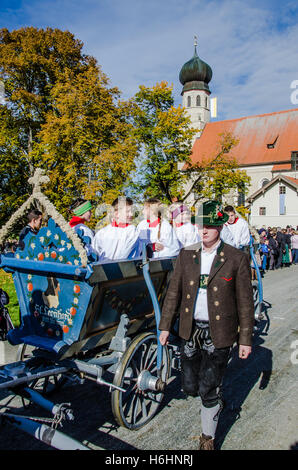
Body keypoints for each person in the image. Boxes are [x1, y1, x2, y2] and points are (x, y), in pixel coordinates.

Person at [159, 200, 255, 450]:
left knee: (208, 387)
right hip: (190, 330)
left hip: (219, 332)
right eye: (201, 225)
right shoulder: (187, 254)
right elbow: (173, 293)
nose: (204, 230)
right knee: (189, 385)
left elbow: (246, 303)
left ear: (220, 227)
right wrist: (165, 326)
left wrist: (245, 339)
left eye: (210, 226)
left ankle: (207, 437)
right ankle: (209, 400)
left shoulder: (236, 258)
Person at [92, 197, 140, 261]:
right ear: (116, 214)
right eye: (127, 211)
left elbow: (125, 253)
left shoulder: (132, 230)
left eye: (131, 211)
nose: (131, 214)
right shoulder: (102, 233)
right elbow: (95, 251)